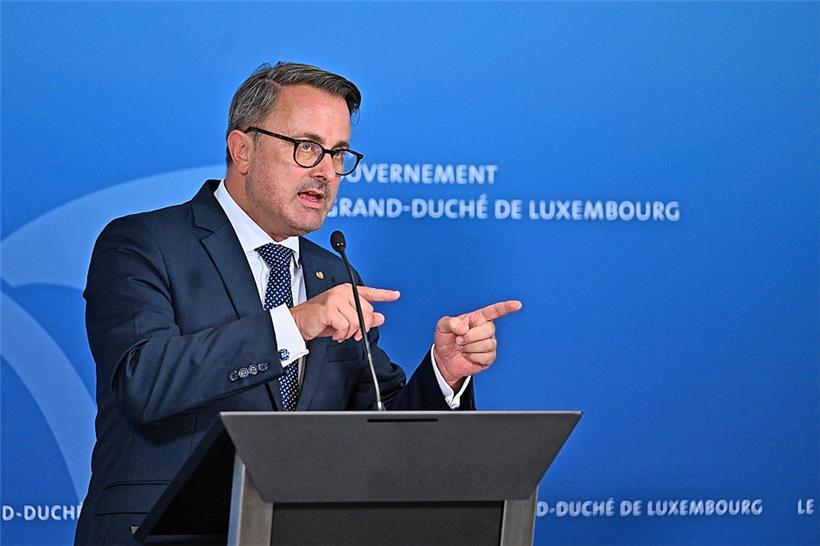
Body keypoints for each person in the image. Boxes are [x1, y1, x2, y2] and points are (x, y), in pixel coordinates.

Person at [74, 62, 521, 546]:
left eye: (339, 154)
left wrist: (444, 372)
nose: (327, 172)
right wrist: (293, 325)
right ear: (242, 149)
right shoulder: (142, 244)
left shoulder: (335, 273)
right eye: (307, 148)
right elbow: (144, 383)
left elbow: (381, 423)